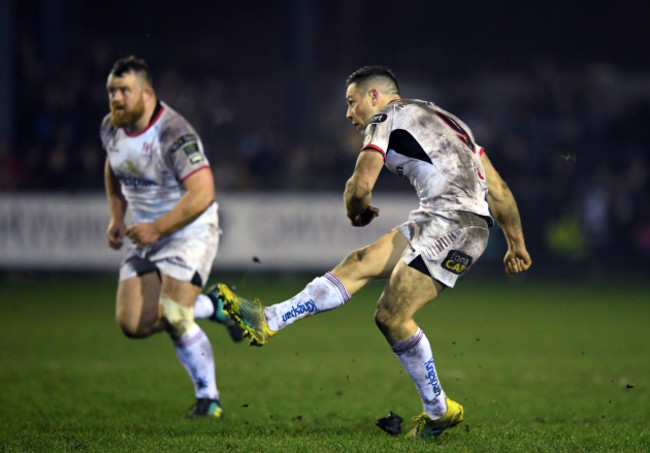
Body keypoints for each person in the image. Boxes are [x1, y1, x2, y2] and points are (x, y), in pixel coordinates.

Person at [217, 65, 532, 439]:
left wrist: (355, 208)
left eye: (352, 103)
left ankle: (439, 411)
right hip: (443, 220)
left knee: (391, 315)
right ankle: (268, 319)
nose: (349, 114)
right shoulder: (450, 121)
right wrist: (516, 243)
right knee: (359, 263)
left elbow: (361, 185)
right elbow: (497, 188)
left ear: (374, 96)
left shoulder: (386, 116)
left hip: (455, 226)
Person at [101, 55, 241, 419]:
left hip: (188, 230)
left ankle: (208, 399)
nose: (116, 99)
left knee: (176, 316)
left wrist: (157, 228)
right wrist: (117, 217)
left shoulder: (173, 133)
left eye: (124, 91)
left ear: (147, 94)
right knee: (133, 324)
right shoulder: (111, 128)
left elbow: (203, 193)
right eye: (112, 91)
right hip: (146, 235)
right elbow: (113, 167)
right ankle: (216, 306)